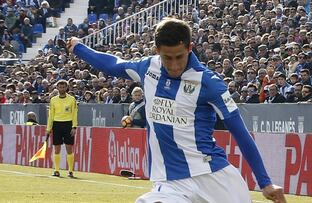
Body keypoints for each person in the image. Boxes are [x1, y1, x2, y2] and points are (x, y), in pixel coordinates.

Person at [67, 18, 286, 203]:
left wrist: (265, 182)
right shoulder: (147, 68)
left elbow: (240, 132)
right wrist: (78, 47)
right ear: (157, 50)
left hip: (214, 178)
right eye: (167, 58)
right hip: (170, 182)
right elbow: (112, 64)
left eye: (179, 57)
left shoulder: (210, 84)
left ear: (190, 48)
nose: (173, 65)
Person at [46, 80, 78, 178]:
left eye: (63, 87)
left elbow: (74, 114)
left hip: (68, 124)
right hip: (56, 124)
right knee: (57, 148)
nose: (62, 89)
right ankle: (56, 170)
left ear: (66, 88)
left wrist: (74, 126)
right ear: (57, 88)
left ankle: (70, 171)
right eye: (60, 87)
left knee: (69, 148)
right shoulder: (53, 100)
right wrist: (49, 128)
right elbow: (51, 115)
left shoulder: (72, 99)